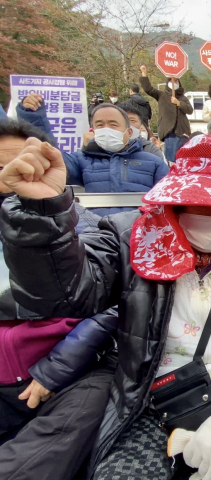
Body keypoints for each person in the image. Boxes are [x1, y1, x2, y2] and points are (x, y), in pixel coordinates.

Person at [0, 133, 211, 480]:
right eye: (194, 202)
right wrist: (44, 212)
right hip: (147, 401)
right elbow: (67, 295)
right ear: (175, 200)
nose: (209, 213)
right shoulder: (132, 238)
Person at [0, 118, 117, 480]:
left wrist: (58, 368)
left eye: (25, 161)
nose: (15, 174)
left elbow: (113, 301)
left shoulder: (84, 224)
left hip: (71, 369)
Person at [16, 93, 169, 216]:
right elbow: (49, 153)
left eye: (113, 124)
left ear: (129, 132)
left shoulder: (153, 162)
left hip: (141, 234)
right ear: (93, 131)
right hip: (96, 235)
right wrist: (33, 117)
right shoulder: (81, 160)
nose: (106, 129)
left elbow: (170, 197)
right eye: (100, 125)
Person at [139, 65, 193, 163]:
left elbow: (190, 110)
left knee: (182, 157)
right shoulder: (162, 95)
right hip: (169, 131)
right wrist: (144, 74)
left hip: (182, 131)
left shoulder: (182, 98)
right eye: (172, 81)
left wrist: (179, 103)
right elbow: (148, 89)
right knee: (170, 159)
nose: (174, 83)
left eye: (176, 81)